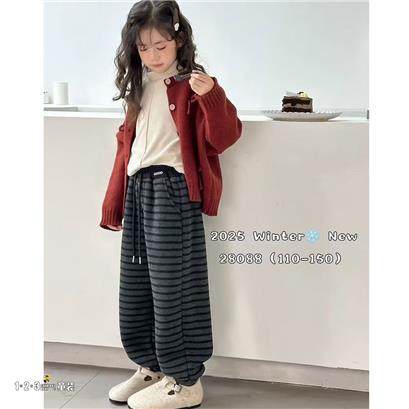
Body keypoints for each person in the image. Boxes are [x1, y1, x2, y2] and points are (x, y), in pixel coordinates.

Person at [99, 1, 242, 408]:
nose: (153, 55)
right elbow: (127, 152)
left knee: (174, 289)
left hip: (172, 191)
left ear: (179, 40)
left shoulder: (193, 85)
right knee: (137, 286)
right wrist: (114, 202)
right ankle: (152, 367)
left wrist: (212, 96)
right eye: (144, 48)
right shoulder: (139, 86)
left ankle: (185, 378)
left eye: (160, 46)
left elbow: (225, 137)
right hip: (140, 190)